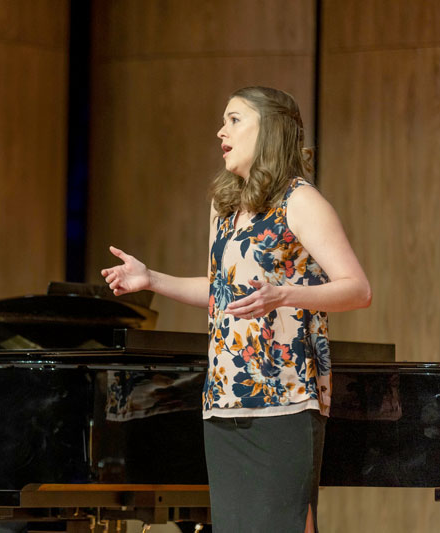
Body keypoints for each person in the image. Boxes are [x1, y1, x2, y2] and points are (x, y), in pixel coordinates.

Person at [101, 86, 371, 533]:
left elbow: (357, 290)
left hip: (283, 398)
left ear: (269, 130)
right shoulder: (225, 206)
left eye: (234, 120)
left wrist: (284, 294)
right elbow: (221, 290)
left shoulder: (299, 201)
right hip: (224, 398)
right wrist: (152, 280)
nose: (220, 131)